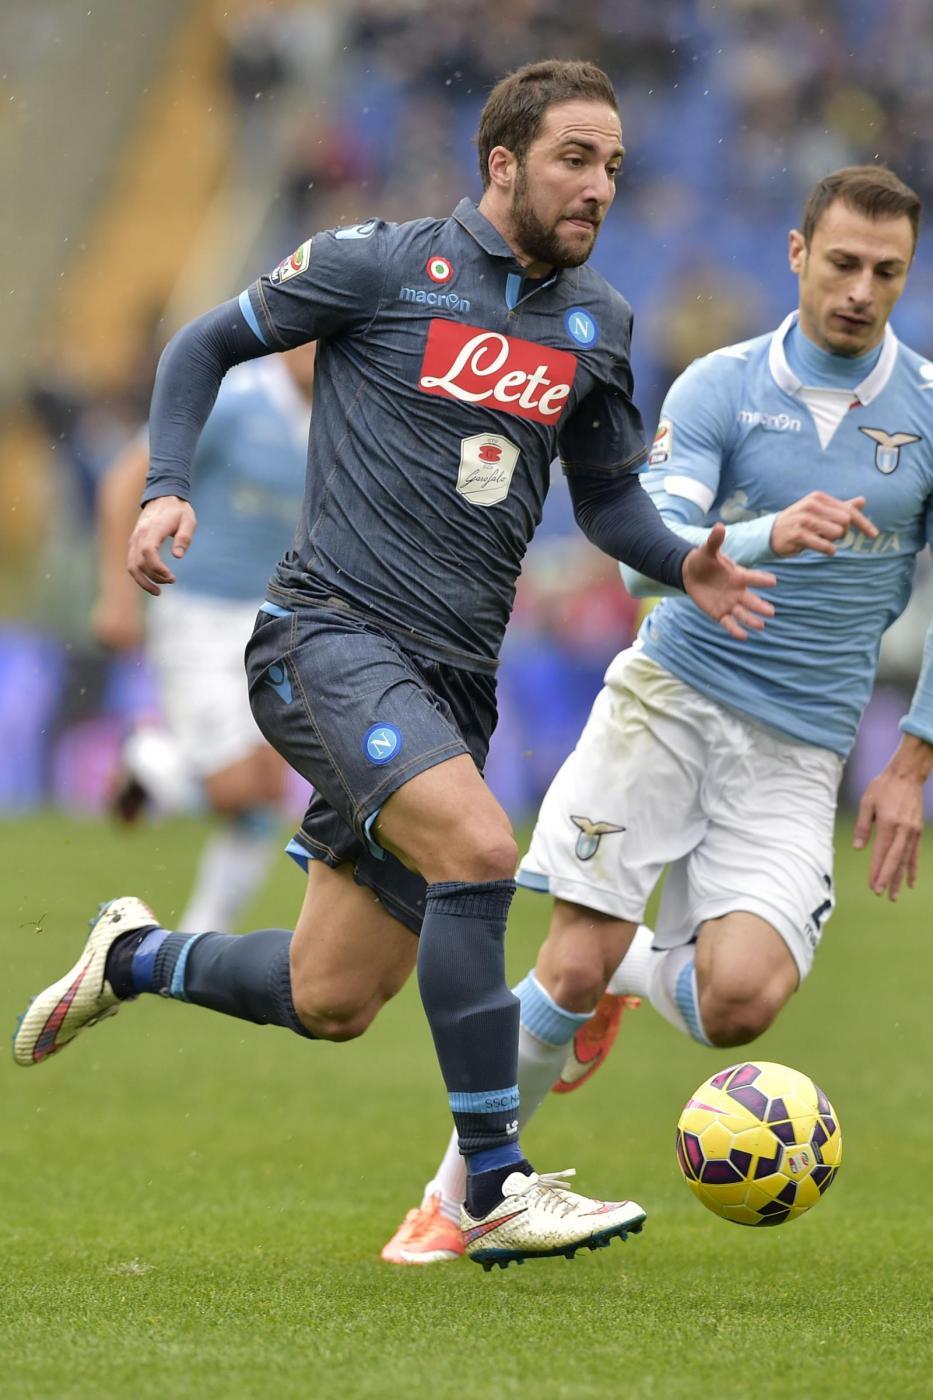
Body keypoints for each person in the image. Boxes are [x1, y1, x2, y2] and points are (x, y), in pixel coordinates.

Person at [13, 60, 775, 1271]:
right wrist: (163, 488)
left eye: (616, 166)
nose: (600, 186)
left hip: (454, 682)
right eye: (576, 158)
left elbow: (609, 502)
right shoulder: (379, 265)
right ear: (502, 162)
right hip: (327, 635)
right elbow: (203, 344)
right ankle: (493, 1186)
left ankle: (134, 955)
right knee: (479, 847)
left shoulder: (600, 325)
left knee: (331, 994)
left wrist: (687, 562)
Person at [381, 163, 933, 1265]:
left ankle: (633, 973)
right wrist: (767, 533)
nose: (860, 290)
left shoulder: (925, 408)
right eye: (841, 263)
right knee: (566, 963)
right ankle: (451, 1201)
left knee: (739, 1003)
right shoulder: (719, 387)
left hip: (800, 745)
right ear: (796, 253)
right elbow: (645, 557)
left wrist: (912, 759)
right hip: (668, 703)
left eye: (886, 272)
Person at [92, 346, 315, 932]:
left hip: (275, 619)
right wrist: (117, 596)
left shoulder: (339, 412)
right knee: (238, 787)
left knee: (266, 791)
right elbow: (122, 481)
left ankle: (199, 937)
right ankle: (152, 761)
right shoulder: (234, 401)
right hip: (199, 612)